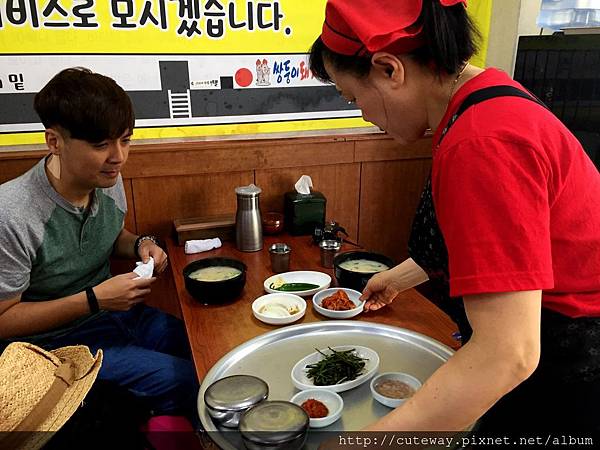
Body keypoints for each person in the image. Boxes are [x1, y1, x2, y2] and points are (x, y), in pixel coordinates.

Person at [310, 0, 600, 432]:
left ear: (390, 69)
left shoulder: (483, 142)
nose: (364, 115)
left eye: (354, 97)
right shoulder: (484, 97)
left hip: (568, 368)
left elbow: (508, 355)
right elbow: (501, 244)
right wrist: (400, 276)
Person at [0, 67, 200, 427]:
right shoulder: (12, 214)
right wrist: (94, 299)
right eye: (100, 144)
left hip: (116, 317)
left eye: (125, 139)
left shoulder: (106, 177)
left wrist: (141, 244)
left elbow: (112, 234)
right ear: (55, 142)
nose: (118, 156)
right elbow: (4, 320)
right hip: (54, 348)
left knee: (206, 351)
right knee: (187, 381)